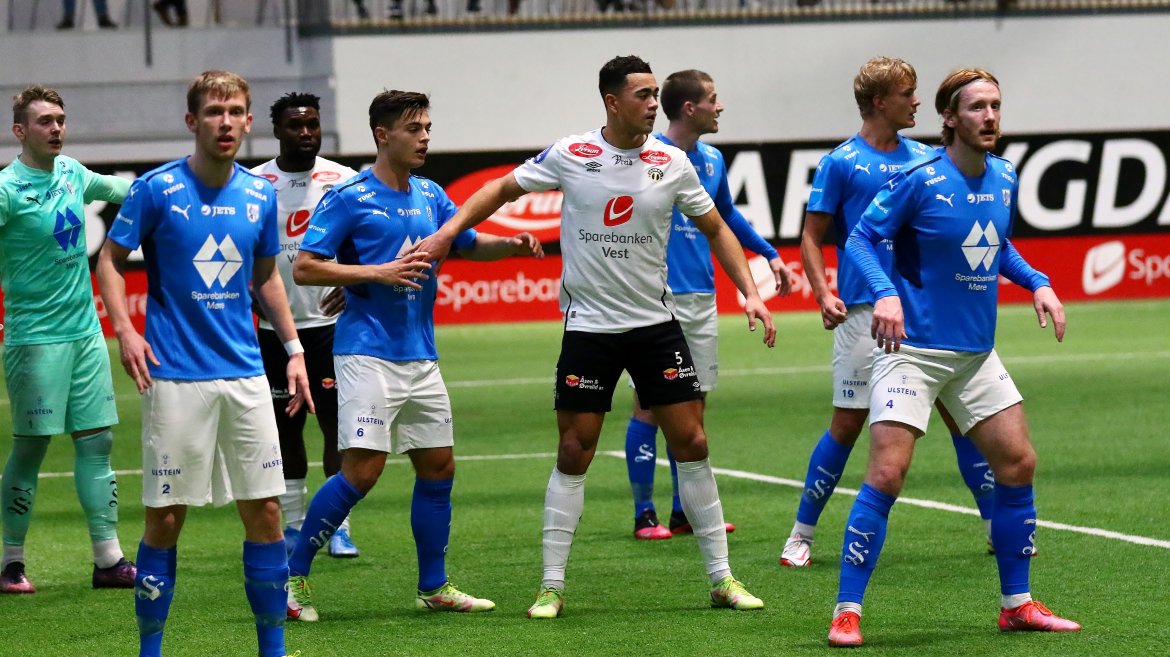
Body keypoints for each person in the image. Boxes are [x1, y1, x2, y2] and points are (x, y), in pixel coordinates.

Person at [412, 55, 776, 619]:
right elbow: (501, 189)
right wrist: (447, 233)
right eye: (642, 95)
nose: (652, 104)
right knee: (573, 451)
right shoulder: (572, 154)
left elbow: (716, 228)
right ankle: (551, 586)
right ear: (612, 101)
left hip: (656, 327)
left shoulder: (672, 162)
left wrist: (749, 290)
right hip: (589, 329)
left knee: (693, 443)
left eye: (655, 94)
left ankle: (722, 579)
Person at [827, 67, 1080, 647]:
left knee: (1018, 463)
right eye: (976, 107)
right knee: (887, 474)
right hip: (911, 353)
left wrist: (1038, 281)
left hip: (974, 355)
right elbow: (861, 238)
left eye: (996, 106)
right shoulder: (919, 179)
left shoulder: (1005, 176)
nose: (990, 117)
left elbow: (995, 244)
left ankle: (1017, 605)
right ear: (949, 117)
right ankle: (846, 611)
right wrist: (884, 292)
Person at [285, 89, 542, 622]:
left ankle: (433, 585)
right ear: (383, 135)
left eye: (427, 127)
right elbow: (306, 267)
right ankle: (291, 576)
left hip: (421, 354)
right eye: (414, 128)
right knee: (362, 472)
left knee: (438, 466)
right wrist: (375, 273)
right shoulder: (349, 196)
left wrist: (511, 244)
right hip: (366, 352)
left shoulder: (430, 193)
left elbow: (466, 243)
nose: (425, 137)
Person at [96, 70, 311, 657]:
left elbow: (266, 278)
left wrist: (293, 349)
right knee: (165, 520)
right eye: (214, 112)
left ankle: (272, 649)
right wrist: (125, 331)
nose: (225, 122)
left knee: (266, 512)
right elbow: (110, 260)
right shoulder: (155, 189)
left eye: (235, 112)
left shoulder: (259, 194)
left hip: (245, 375)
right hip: (174, 378)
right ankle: (151, 649)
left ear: (248, 121)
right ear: (193, 121)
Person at [780, 57, 997, 569]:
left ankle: (996, 525)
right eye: (907, 93)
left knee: (962, 419)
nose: (916, 101)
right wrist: (822, 292)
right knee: (847, 424)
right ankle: (801, 534)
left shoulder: (926, 158)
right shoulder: (841, 163)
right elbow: (812, 236)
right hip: (865, 314)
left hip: (925, 312)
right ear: (880, 102)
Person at [623, 69, 791, 541]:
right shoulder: (644, 155)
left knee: (693, 408)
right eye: (713, 99)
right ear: (689, 108)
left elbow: (726, 217)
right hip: (653, 298)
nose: (720, 107)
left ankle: (685, 511)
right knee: (648, 406)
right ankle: (644, 514)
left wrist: (769, 253)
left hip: (700, 297)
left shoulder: (713, 159)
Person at [0, 85, 136, 594]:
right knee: (31, 447)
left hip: (86, 335)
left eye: (60, 119)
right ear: (20, 131)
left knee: (97, 442)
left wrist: (181, 181)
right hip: (34, 340)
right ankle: (11, 562)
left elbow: (125, 191)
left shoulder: (73, 172)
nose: (56, 128)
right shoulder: (6, 189)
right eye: (45, 121)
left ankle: (108, 560)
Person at [251, 92, 362, 559]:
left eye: (312, 124)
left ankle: (338, 527)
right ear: (277, 131)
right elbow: (239, 249)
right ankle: (295, 523)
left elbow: (367, 241)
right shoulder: (254, 184)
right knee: (285, 427)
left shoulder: (344, 180)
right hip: (274, 330)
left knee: (338, 426)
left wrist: (355, 284)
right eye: (296, 125)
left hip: (331, 326)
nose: (306, 132)